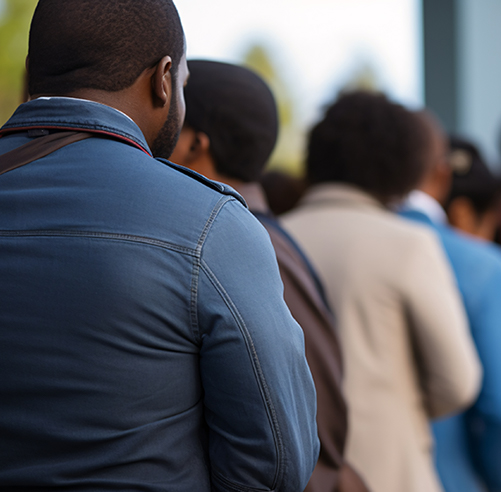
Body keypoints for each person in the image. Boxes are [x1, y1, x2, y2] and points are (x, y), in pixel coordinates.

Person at [0, 3, 318, 491]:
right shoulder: (209, 223)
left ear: (32, 73)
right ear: (163, 80)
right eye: (185, 83)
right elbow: (275, 464)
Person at [168, 60, 369, 492]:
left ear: (194, 145)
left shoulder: (238, 248)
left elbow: (302, 436)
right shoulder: (272, 237)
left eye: (171, 116)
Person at [282, 91, 482, 492]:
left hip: (297, 472)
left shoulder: (268, 236)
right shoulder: (408, 244)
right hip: (390, 470)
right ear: (404, 163)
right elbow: (458, 381)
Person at [400, 116, 501, 492]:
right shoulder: (484, 267)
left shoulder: (354, 246)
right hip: (455, 476)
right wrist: (495, 477)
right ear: (462, 212)